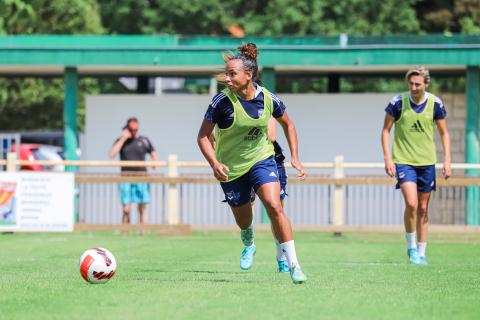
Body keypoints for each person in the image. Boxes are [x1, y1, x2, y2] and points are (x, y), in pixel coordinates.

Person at [197, 43, 307, 284]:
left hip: (262, 160)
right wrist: (214, 163)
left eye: (232, 74)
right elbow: (203, 136)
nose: (227, 78)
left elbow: (289, 124)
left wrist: (295, 157)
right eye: (226, 73)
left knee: (274, 205)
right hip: (232, 168)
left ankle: (294, 265)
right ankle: (249, 241)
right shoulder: (221, 102)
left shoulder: (268, 99)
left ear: (249, 75)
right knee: (243, 219)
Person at [381, 66, 451, 265]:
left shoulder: (435, 104)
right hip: (404, 161)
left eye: (418, 84)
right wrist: (388, 158)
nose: (413, 87)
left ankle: (422, 251)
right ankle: (411, 248)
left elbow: (444, 133)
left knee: (422, 208)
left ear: (426, 84)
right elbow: (385, 131)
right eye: (411, 83)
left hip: (427, 162)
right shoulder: (397, 103)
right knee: (411, 203)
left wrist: (447, 160)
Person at [109, 117, 158, 233]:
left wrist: (154, 163)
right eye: (131, 129)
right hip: (126, 178)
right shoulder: (121, 140)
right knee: (126, 208)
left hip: (142, 177)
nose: (134, 132)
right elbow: (111, 154)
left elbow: (154, 154)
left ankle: (143, 232)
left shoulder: (144, 140)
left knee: (142, 207)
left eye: (136, 129)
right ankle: (125, 232)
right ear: (127, 128)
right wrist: (123, 138)